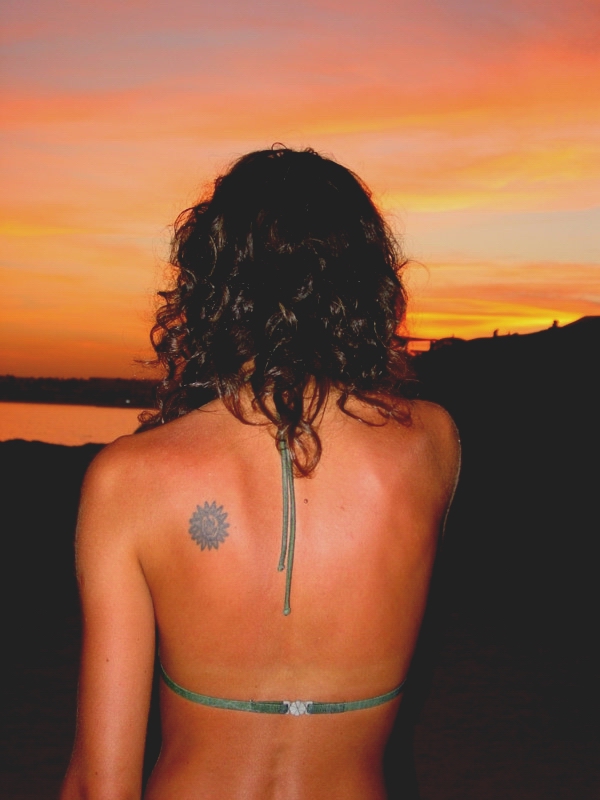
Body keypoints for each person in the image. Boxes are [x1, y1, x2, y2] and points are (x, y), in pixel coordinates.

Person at [61, 146, 460, 800]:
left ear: (208, 286)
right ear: (367, 283)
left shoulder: (125, 481)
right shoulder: (434, 443)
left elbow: (100, 787)